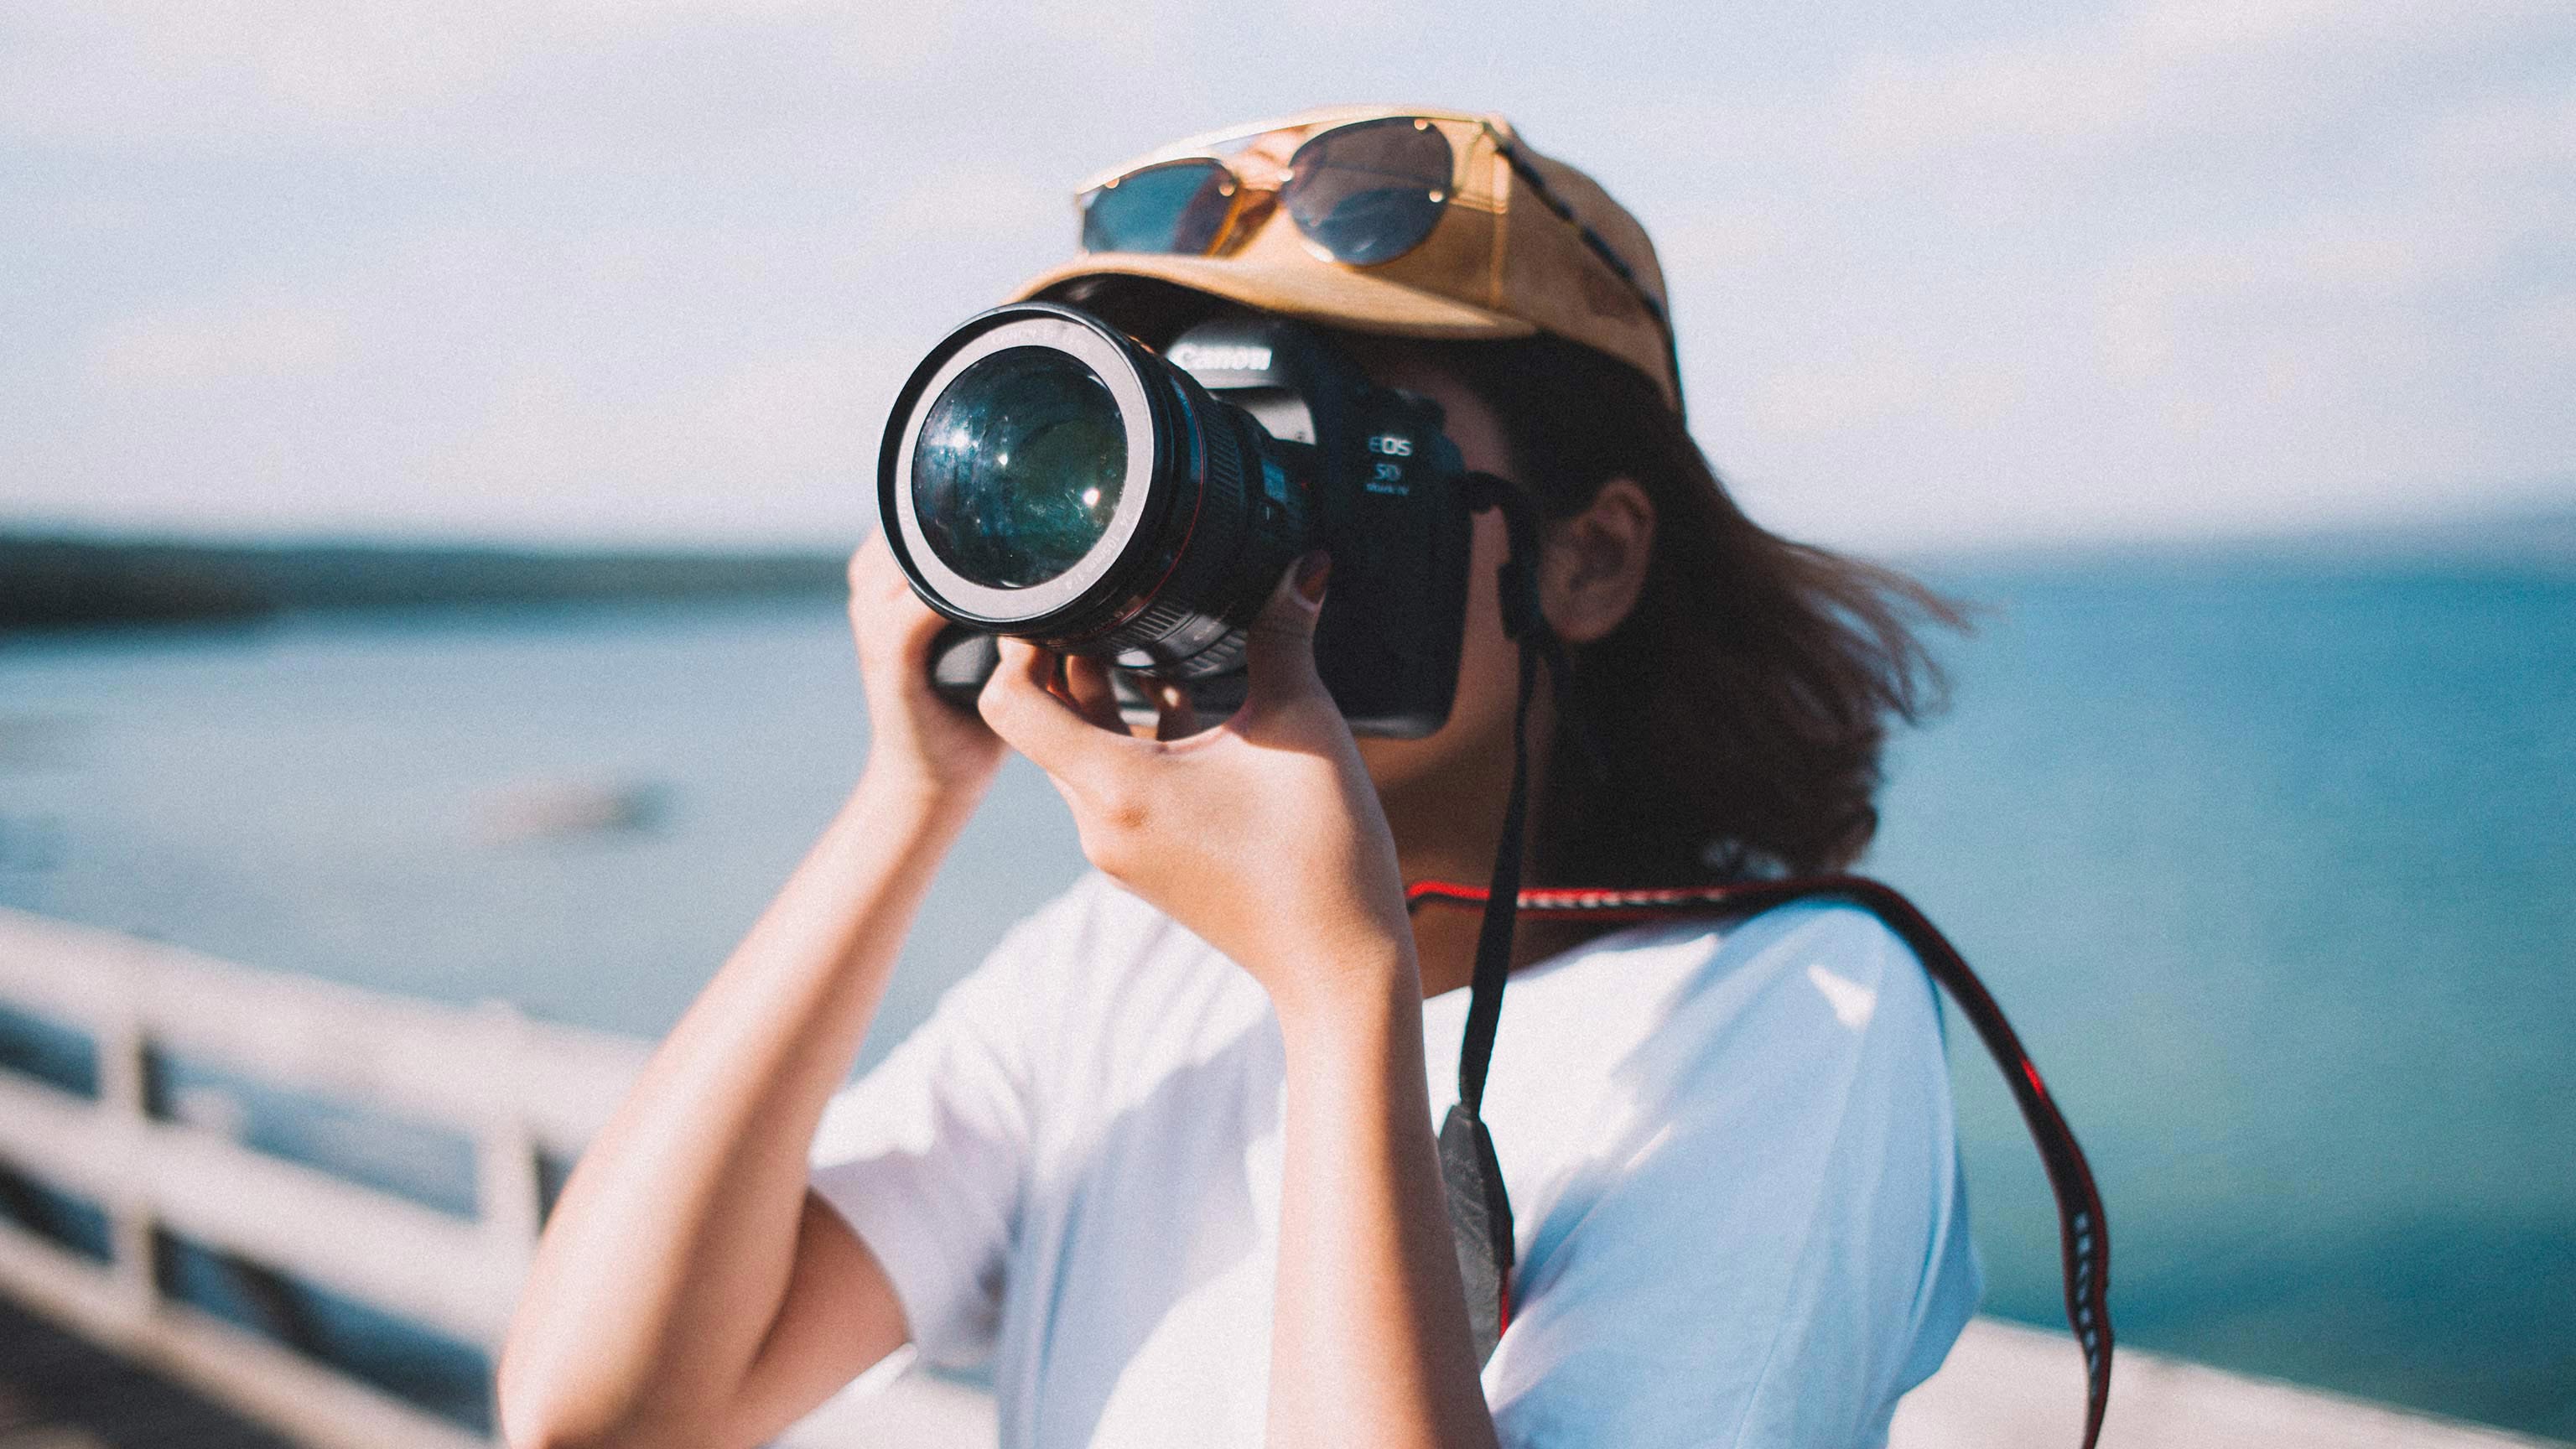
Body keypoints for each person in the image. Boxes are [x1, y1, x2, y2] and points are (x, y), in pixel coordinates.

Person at [497, 106, 1979, 1449]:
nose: (1238, 524)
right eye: (1187, 440)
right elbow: (608, 1405)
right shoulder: (1120, 974)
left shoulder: (1798, 1016)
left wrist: (1346, 998)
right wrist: (911, 793)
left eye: (1327, 449)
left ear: (1587, 559)